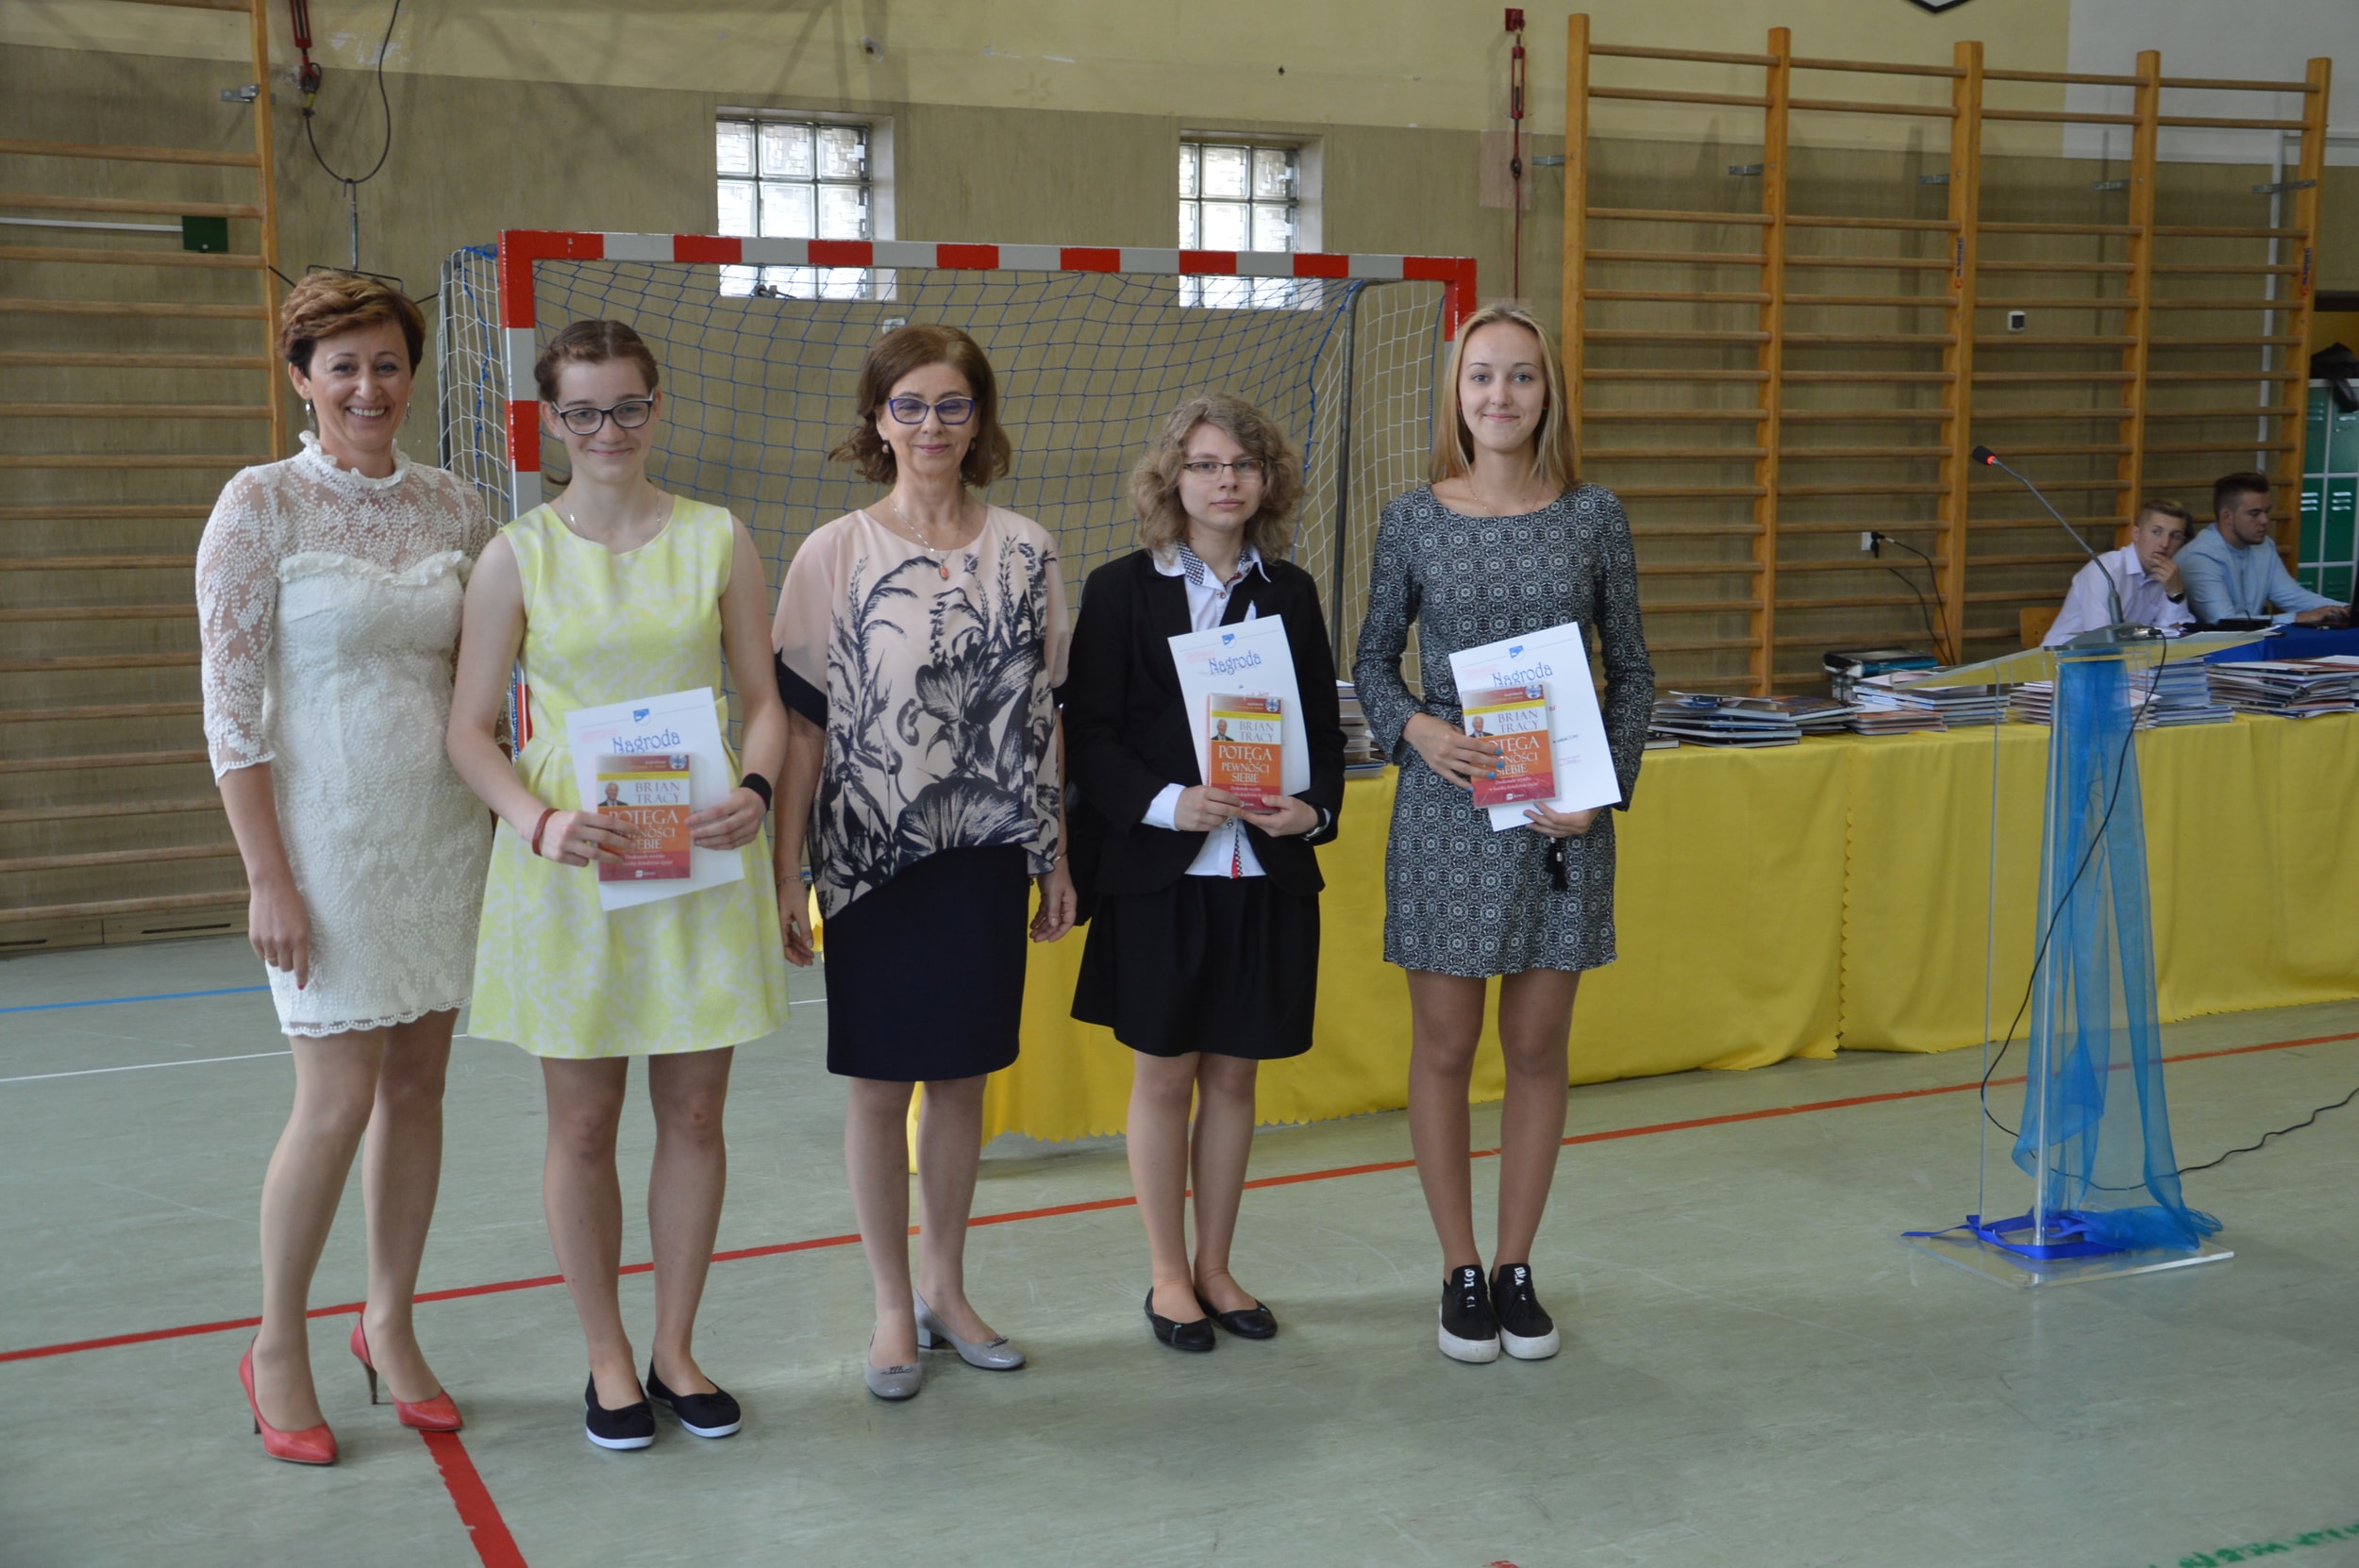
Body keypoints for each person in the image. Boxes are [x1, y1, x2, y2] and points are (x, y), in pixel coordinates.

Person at [446, 320, 789, 1451]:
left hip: (694, 849)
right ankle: (606, 1358)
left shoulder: (718, 538)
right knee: (585, 1123)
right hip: (576, 861)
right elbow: (469, 730)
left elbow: (764, 700)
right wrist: (536, 820)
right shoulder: (515, 555)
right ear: (553, 420)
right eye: (585, 411)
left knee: (694, 1113)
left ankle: (676, 1348)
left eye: (628, 406)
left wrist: (756, 786)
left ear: (656, 405)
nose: (609, 430)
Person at [197, 273, 495, 1464]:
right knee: (332, 1103)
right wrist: (267, 876)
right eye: (343, 367)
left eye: (387, 364)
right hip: (323, 845)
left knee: (420, 1088)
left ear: (411, 374)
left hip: (441, 835)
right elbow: (230, 712)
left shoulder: (457, 505)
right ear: (301, 380)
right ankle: (276, 1342)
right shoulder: (259, 504)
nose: (368, 387)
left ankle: (388, 1321)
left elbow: (492, 675)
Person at [771, 324, 1076, 1401]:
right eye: (910, 405)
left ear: (979, 418)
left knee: (961, 1079)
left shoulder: (1030, 551)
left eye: (953, 405)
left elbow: (1047, 720)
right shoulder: (833, 552)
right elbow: (800, 729)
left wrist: (1056, 856)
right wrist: (786, 873)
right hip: (868, 860)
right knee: (878, 1084)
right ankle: (891, 1305)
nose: (932, 425)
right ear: (878, 420)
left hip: (986, 854)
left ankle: (947, 1287)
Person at [1352, 303, 1652, 1366]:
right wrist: (1416, 727)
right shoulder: (1411, 519)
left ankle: (1518, 1265)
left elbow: (1633, 673)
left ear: (1547, 392)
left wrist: (1604, 790)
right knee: (1444, 1049)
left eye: (1521, 376)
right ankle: (1459, 1268)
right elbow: (1371, 660)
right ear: (1456, 392)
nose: (1500, 395)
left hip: (1562, 817)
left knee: (1535, 1050)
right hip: (1447, 813)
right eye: (1482, 375)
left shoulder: (1594, 516)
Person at [1062, 394, 1347, 1353]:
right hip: (1162, 871)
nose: (1226, 480)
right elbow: (1089, 736)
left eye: (1243, 465)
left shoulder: (1292, 593)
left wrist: (1313, 813)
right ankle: (1167, 1275)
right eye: (1206, 464)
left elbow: (1321, 736)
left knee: (1234, 1076)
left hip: (1262, 871)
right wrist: (1164, 802)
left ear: (1267, 481)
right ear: (1171, 479)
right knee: (1165, 1074)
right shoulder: (1119, 589)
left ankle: (1217, 1266)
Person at [2176, 471, 2349, 626]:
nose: (2265, 521)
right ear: (2227, 516)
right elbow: (2224, 621)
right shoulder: (2199, 557)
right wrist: (2296, 618)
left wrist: (2346, 609)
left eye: (2267, 511)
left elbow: (2292, 596)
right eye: (2255, 514)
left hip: (2249, 643)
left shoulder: (2264, 546)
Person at [2042, 499, 2197, 645]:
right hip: (2062, 659)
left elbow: (2177, 639)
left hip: (2132, 659)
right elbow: (2101, 639)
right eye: (2156, 532)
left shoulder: (2169, 577)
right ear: (2136, 534)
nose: (2165, 544)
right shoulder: (2104, 571)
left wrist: (2176, 593)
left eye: (2175, 536)